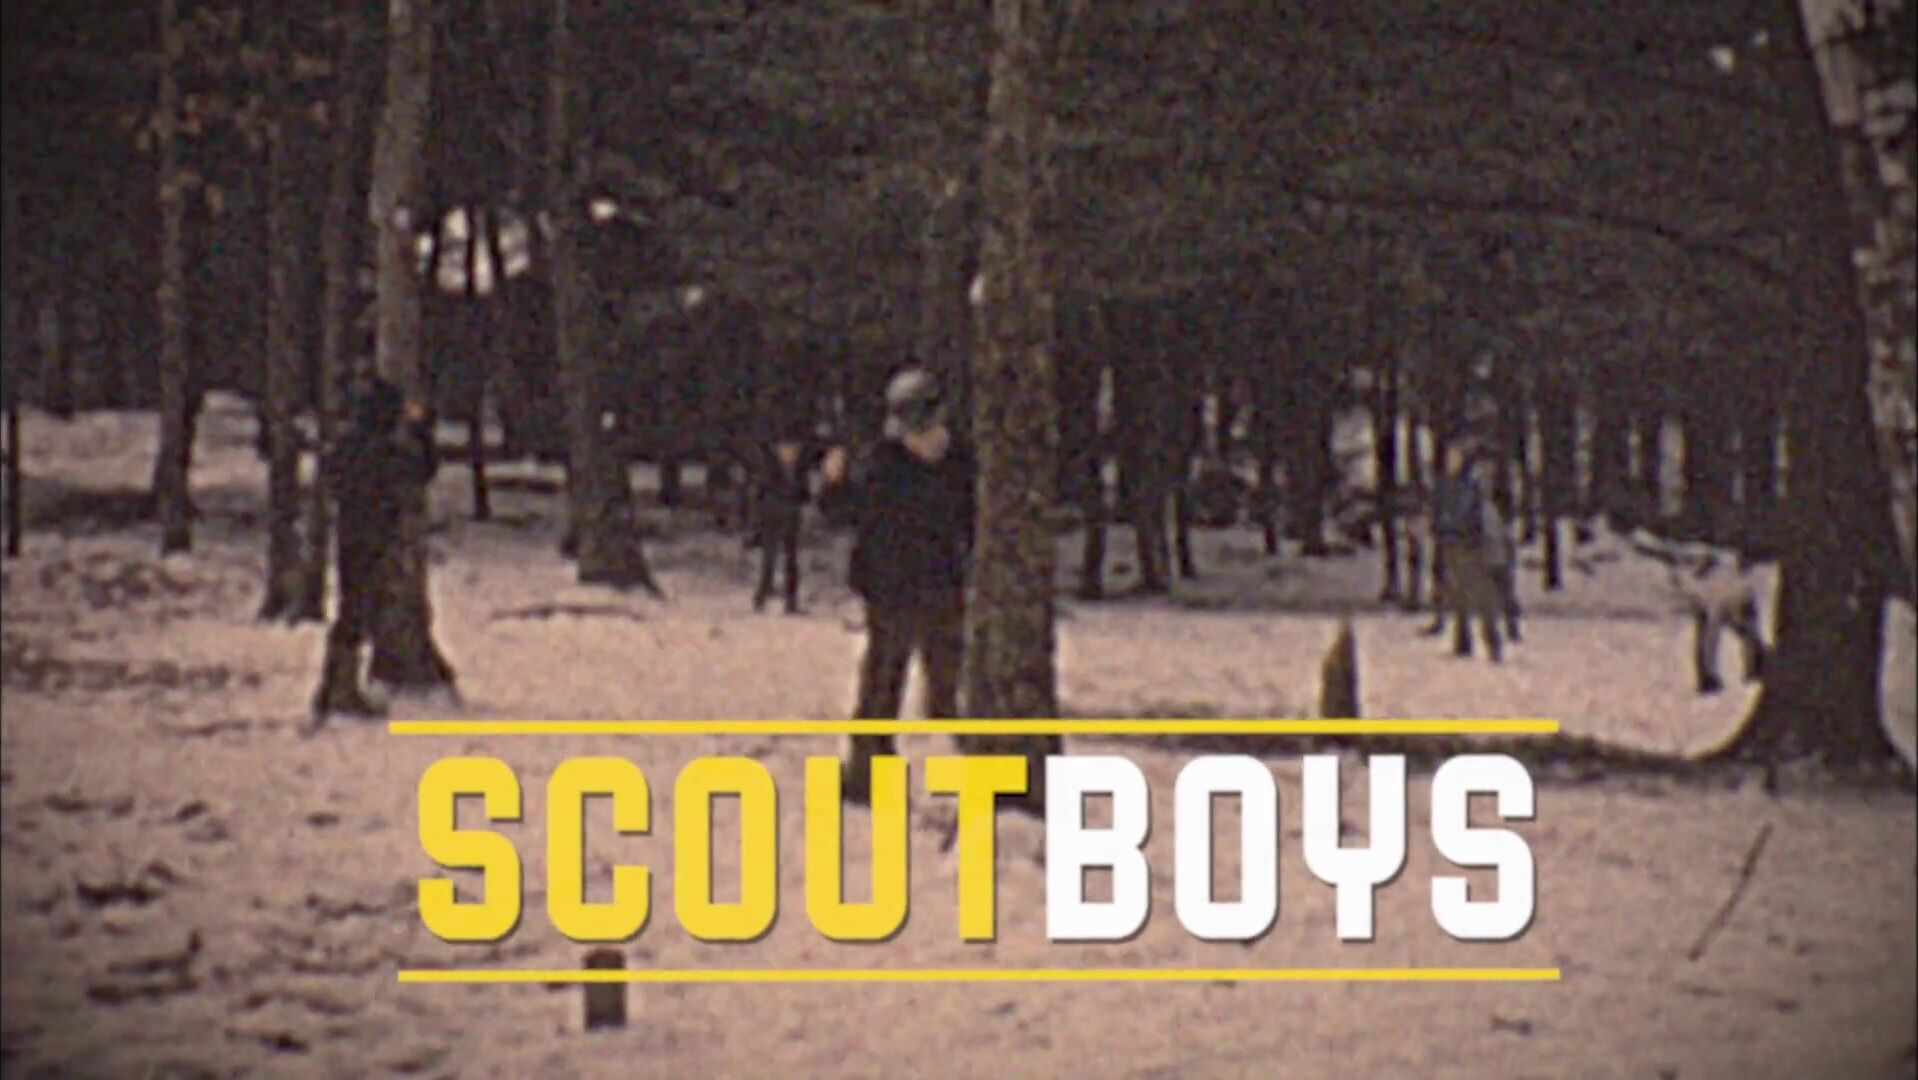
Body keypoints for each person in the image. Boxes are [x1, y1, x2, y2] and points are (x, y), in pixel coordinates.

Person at [817, 366, 975, 804]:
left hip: (895, 588)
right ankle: (982, 771)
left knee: (884, 684)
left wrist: (832, 482)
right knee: (944, 688)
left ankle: (866, 774)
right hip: (937, 583)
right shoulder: (958, 460)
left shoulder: (883, 462)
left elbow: (841, 513)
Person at [311, 374, 439, 723]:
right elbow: (422, 470)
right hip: (376, 536)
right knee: (360, 610)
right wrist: (422, 431)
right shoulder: (386, 451)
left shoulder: (349, 446)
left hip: (350, 534)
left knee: (352, 609)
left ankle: (334, 683)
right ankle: (339, 688)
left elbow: (331, 475)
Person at [1428, 440, 1505, 662]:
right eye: (1449, 457)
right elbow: (1437, 512)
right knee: (1457, 595)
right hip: (1452, 544)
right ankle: (1462, 642)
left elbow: (1477, 516)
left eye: (1455, 457)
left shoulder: (1471, 488)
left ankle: (1492, 642)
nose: (1451, 461)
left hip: (1471, 546)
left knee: (1482, 596)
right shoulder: (1445, 487)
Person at [749, 427, 815, 614]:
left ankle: (790, 600)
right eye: (786, 448)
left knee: (790, 559)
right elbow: (760, 493)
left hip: (791, 515)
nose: (790, 453)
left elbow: (804, 493)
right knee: (770, 557)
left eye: (794, 449)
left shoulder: (798, 469)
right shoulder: (769, 468)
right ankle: (762, 595)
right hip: (773, 514)